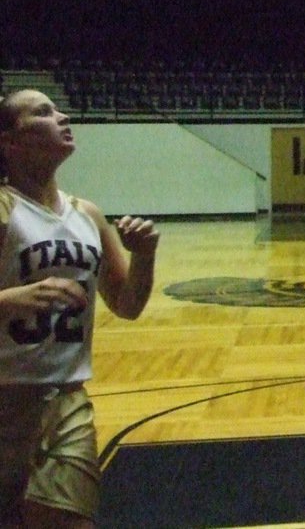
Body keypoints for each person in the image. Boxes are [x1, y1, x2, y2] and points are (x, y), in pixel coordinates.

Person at [0, 90, 159, 528]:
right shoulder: (5, 210)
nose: (63, 116)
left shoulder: (86, 214)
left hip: (66, 401)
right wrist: (13, 300)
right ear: (9, 142)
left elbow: (127, 305)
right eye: (44, 113)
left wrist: (144, 255)